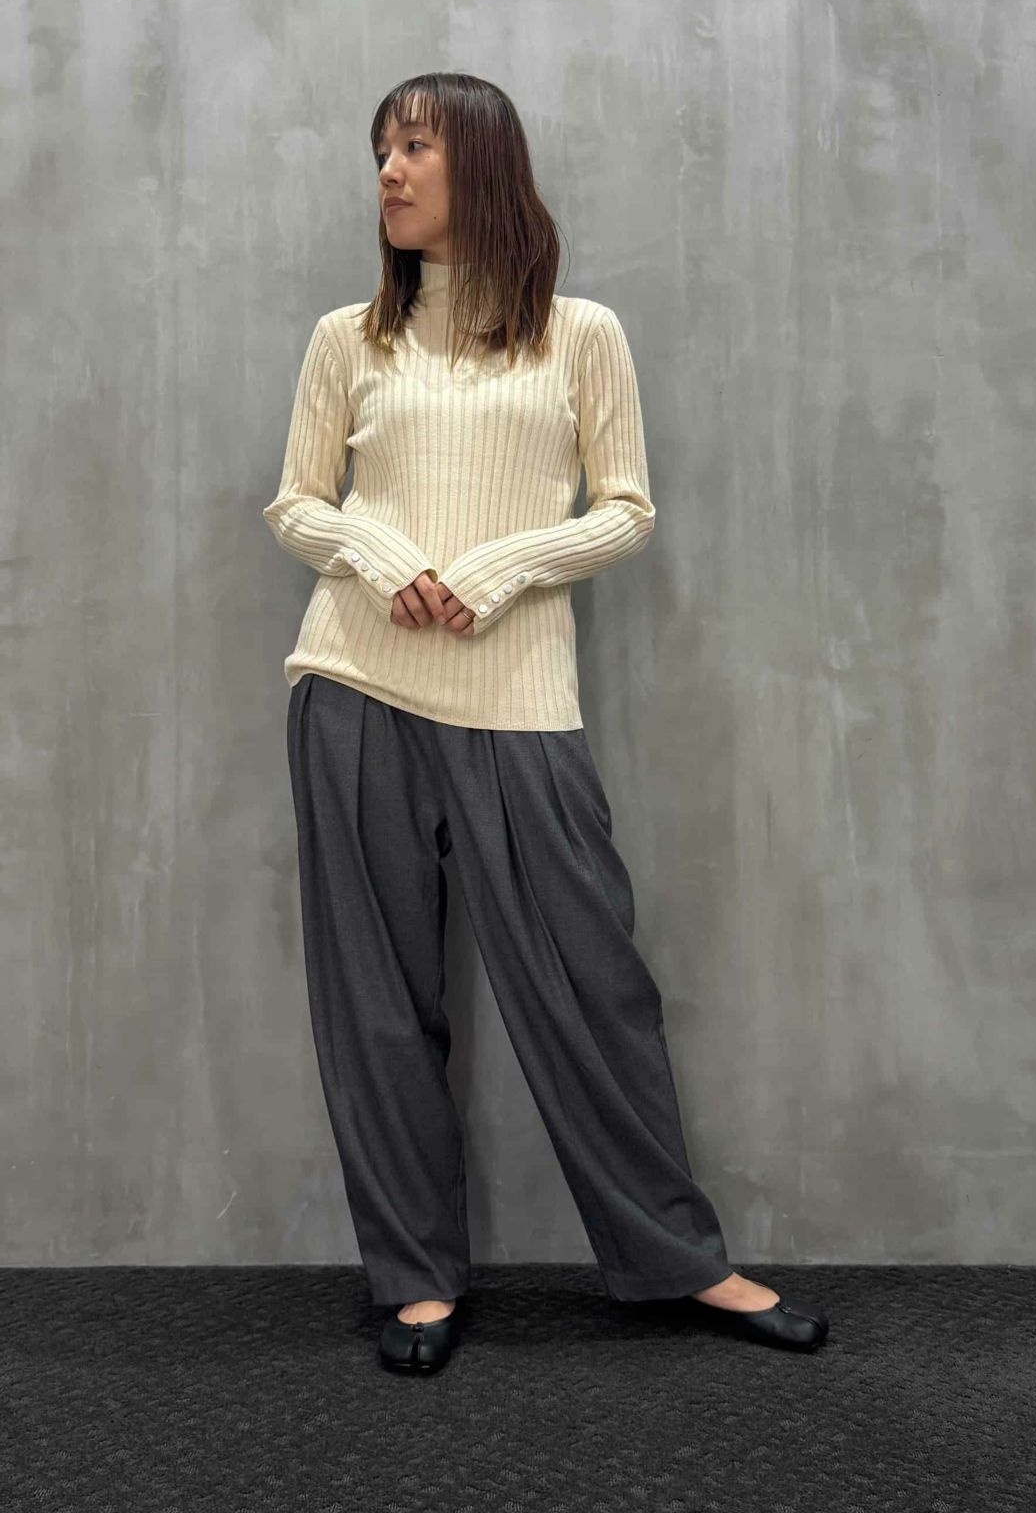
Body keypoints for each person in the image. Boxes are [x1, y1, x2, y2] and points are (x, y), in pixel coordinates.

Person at [263, 71, 829, 1375]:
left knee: (592, 986)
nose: (389, 171)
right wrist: (381, 556)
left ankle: (679, 1260)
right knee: (377, 1002)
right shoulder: (348, 338)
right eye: (380, 151)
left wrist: (498, 567)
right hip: (352, 687)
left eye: (414, 146)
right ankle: (415, 1277)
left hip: (516, 700)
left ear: (484, 164)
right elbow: (297, 502)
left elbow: (626, 508)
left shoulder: (582, 335)